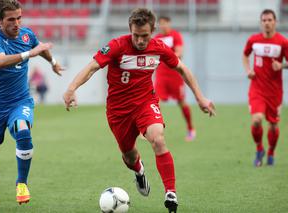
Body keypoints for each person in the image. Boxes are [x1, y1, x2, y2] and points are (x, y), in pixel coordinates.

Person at [63, 8, 215, 213]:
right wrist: (72, 88)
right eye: (136, 35)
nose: (141, 40)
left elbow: (182, 68)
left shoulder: (159, 48)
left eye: (145, 36)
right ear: (130, 30)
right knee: (129, 156)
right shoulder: (117, 46)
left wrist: (200, 97)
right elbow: (92, 67)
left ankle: (170, 192)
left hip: (145, 102)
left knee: (158, 138)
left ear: (152, 31)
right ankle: (139, 171)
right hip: (118, 110)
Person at [0, 0, 63, 208]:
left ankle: (21, 183)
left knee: (23, 131)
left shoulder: (26, 35)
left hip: (19, 100)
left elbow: (39, 48)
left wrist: (52, 62)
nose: (17, 23)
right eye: (11, 19)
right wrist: (28, 54)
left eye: (19, 18)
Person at [242, 9, 288, 167]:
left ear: (275, 22)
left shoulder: (282, 42)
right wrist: (248, 70)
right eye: (264, 20)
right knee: (257, 120)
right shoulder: (253, 40)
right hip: (257, 88)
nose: (267, 23)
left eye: (270, 20)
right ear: (261, 22)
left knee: (274, 126)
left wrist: (281, 65)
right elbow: (245, 55)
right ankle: (259, 148)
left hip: (275, 91)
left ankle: (271, 152)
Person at [154, 16, 195, 142]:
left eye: (165, 23)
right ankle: (154, 130)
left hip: (175, 74)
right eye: (160, 24)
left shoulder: (175, 36)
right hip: (161, 74)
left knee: (181, 102)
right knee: (155, 102)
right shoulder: (156, 39)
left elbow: (179, 53)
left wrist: (165, 57)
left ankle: (190, 129)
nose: (163, 26)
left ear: (169, 23)